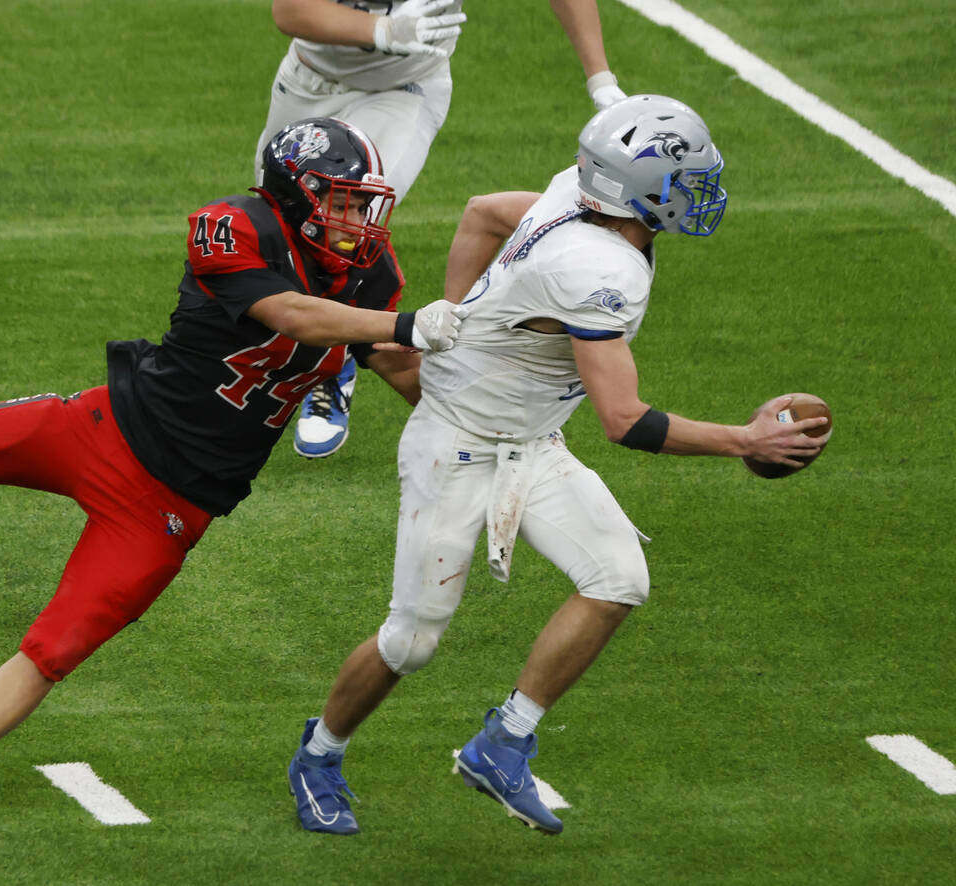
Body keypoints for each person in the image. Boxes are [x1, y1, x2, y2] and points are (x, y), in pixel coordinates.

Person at [0, 117, 466, 838]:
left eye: (360, 205)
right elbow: (294, 316)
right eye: (341, 202)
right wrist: (404, 324)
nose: (355, 222)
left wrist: (493, 416)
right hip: (107, 430)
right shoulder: (233, 227)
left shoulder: (367, 275)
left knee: (56, 647)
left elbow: (404, 372)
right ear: (295, 194)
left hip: (172, 507)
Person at [285, 95, 828, 835]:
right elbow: (624, 420)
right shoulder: (600, 268)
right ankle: (319, 755)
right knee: (411, 639)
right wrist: (745, 440)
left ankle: (503, 741)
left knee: (620, 578)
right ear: (635, 188)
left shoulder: (575, 194)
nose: (697, 194)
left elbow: (481, 212)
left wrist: (459, 319)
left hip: (531, 439)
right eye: (682, 181)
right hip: (456, 447)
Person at [259, 0, 627, 458]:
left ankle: (333, 367)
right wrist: (384, 29)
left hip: (402, 85)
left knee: (340, 220)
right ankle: (304, 353)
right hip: (307, 77)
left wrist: (602, 81)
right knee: (282, 224)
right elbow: (291, 11)